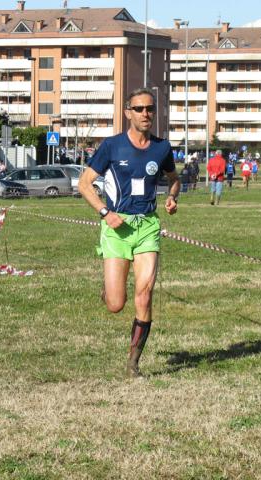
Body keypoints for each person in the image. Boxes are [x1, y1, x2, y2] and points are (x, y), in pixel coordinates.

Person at [78, 87, 181, 378]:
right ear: (128, 113)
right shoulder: (112, 146)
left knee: (145, 295)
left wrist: (174, 196)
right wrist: (104, 213)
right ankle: (109, 291)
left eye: (150, 108)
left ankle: (133, 362)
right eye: (139, 109)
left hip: (147, 225)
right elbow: (84, 184)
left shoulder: (162, 148)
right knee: (116, 304)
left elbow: (174, 179)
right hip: (116, 226)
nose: (146, 114)